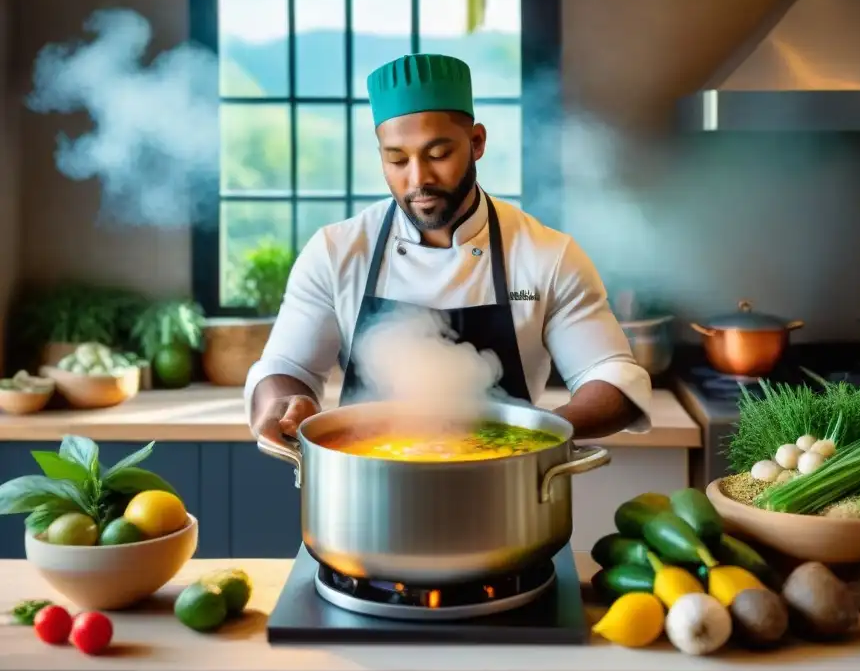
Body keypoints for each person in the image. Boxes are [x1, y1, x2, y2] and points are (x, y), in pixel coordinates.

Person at [246, 53, 652, 452]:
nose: (418, 179)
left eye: (438, 154)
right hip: (366, 495)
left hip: (509, 494)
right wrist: (282, 406)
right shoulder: (336, 252)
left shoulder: (548, 256)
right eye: (397, 159)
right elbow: (287, 369)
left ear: (476, 143)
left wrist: (536, 438)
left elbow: (611, 374)